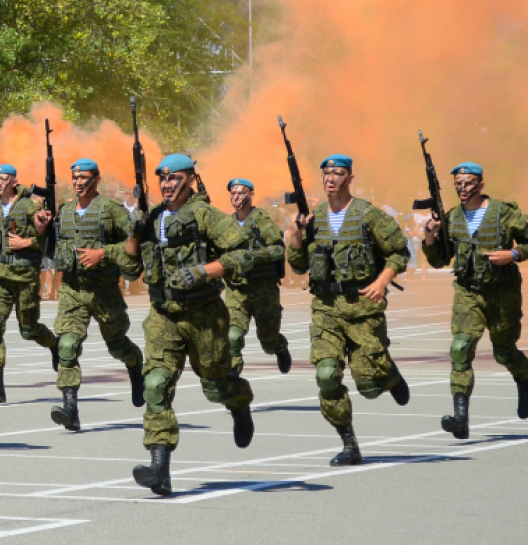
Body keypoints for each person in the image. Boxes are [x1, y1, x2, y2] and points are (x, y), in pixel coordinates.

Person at [121, 154, 256, 496]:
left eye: (174, 178)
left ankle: (238, 401)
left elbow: (244, 254)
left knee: (215, 385)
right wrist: (134, 235)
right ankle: (159, 468)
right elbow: (127, 269)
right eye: (162, 179)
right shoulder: (151, 219)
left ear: (191, 179)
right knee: (155, 384)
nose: (167, 184)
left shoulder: (205, 215)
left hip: (204, 315)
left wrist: (203, 271)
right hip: (163, 315)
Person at [286, 154, 410, 467]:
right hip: (326, 309)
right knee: (327, 375)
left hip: (363, 308)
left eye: (337, 174)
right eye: (326, 174)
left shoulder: (368, 214)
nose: (330, 179)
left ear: (349, 179)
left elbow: (400, 251)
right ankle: (349, 443)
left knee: (369, 387)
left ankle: (388, 374)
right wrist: (296, 235)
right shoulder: (314, 217)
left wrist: (382, 281)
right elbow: (300, 266)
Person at [421, 162, 528, 440]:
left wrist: (513, 255)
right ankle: (460, 418)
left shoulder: (504, 213)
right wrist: (430, 237)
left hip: (503, 292)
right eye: (458, 184)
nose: (462, 188)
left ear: (481, 184)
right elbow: (439, 260)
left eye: (468, 183)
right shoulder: (452, 217)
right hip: (468, 293)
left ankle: (525, 378)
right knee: (460, 348)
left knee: (504, 352)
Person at [42, 158, 144, 432]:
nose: (78, 182)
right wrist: (41, 229)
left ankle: (135, 366)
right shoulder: (63, 211)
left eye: (84, 177)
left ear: (97, 179)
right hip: (73, 289)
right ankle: (70, 408)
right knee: (66, 345)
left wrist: (104, 253)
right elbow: (53, 251)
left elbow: (135, 242)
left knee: (117, 346)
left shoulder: (110, 210)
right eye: (74, 177)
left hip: (104, 290)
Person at [0, 164, 59, 403]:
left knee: (28, 329)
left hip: (23, 276)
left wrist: (28, 240)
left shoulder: (29, 206)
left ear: (14, 181)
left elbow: (46, 241)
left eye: (3, 179)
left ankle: (54, 344)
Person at [225, 178, 291, 375]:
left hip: (263, 290)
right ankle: (233, 381)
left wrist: (252, 257)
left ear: (251, 195)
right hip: (237, 290)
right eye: (233, 193)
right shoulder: (227, 224)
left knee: (268, 341)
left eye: (241, 193)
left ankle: (280, 347)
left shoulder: (261, 219)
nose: (236, 197)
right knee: (232, 337)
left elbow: (278, 250)